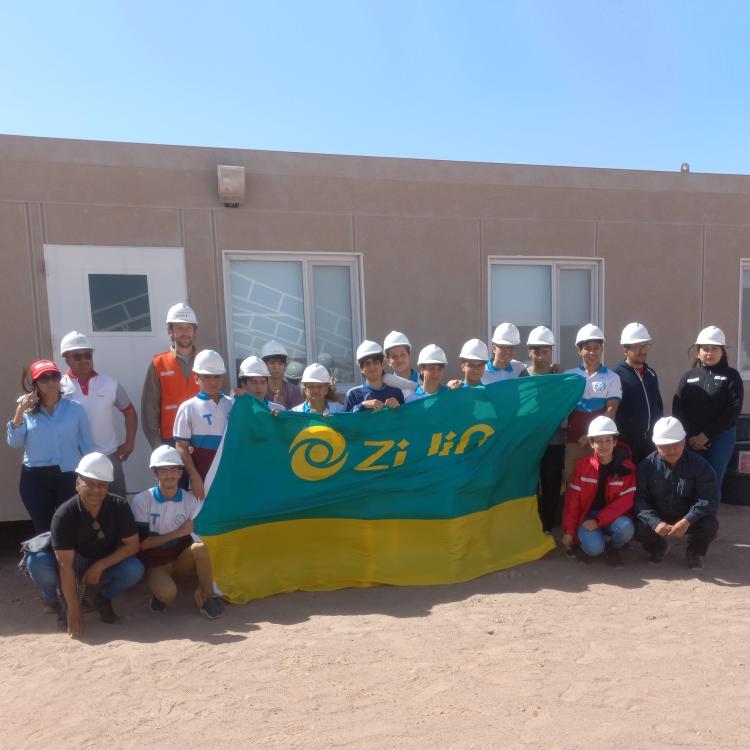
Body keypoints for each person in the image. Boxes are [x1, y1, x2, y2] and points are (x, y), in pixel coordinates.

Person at [25, 452, 144, 637]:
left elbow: (132, 545)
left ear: (107, 487)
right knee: (37, 562)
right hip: (73, 561)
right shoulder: (64, 515)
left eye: (101, 485)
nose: (96, 490)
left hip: (102, 559)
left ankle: (102, 599)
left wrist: (100, 565)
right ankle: (58, 603)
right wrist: (73, 609)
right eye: (89, 483)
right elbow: (65, 566)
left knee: (134, 569)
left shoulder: (119, 506)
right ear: (77, 484)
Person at [132, 446, 224, 619]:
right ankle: (159, 595)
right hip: (155, 564)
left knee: (200, 548)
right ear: (155, 473)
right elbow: (142, 544)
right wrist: (179, 532)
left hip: (179, 561)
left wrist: (203, 583)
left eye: (174, 469)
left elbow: (198, 537)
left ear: (181, 473)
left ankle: (207, 596)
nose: (170, 474)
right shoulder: (142, 501)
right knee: (168, 594)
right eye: (164, 470)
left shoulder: (190, 501)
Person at [7, 359, 92, 533]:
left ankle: (68, 560)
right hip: (35, 478)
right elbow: (14, 443)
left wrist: (90, 475)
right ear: (35, 383)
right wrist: (18, 413)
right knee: (44, 528)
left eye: (54, 376)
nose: (51, 381)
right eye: (44, 378)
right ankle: (47, 559)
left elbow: (87, 445)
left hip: (69, 475)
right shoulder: (27, 412)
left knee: (68, 525)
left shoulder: (75, 408)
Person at [59, 330, 137, 499]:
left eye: (87, 355)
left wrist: (129, 443)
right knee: (79, 511)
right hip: (75, 460)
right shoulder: (58, 388)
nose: (84, 360)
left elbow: (130, 412)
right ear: (66, 358)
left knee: (117, 506)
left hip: (109, 456)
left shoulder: (110, 384)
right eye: (77, 356)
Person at [634, 417, 719, 570]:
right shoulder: (646, 466)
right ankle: (658, 547)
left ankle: (694, 551)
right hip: (659, 516)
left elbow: (709, 498)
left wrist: (687, 520)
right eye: (665, 446)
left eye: (676, 444)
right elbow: (640, 499)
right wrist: (655, 522)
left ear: (684, 441)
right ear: (656, 445)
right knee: (639, 525)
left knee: (710, 524)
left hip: (688, 517)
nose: (672, 450)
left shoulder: (700, 465)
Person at [673, 326, 744, 493]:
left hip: (721, 436)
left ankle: (709, 518)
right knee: (693, 479)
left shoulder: (731, 376)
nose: (709, 353)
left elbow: (733, 410)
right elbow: (678, 408)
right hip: (692, 438)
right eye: (705, 348)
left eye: (714, 349)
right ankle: (691, 517)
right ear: (698, 352)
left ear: (722, 352)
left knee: (713, 478)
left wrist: (706, 435)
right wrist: (690, 436)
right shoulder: (688, 377)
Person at [561, 416, 636, 567]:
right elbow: (573, 501)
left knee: (626, 528)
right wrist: (569, 531)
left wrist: (598, 521)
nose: (604, 445)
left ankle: (613, 548)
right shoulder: (582, 466)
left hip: (611, 516)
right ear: (591, 443)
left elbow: (625, 502)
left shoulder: (627, 468)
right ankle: (594, 543)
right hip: (587, 516)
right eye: (599, 441)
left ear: (615, 442)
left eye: (608, 440)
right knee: (594, 548)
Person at [564, 324, 622, 482]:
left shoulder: (612, 377)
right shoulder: (568, 376)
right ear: (579, 350)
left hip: (600, 443)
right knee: (572, 480)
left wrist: (592, 435)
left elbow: (611, 410)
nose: (592, 352)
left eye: (596, 348)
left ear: (602, 349)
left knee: (598, 482)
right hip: (574, 441)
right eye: (587, 348)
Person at [173, 350, 233, 500]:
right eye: (207, 377)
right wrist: (194, 477)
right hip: (203, 479)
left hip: (231, 478)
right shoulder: (188, 407)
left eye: (217, 376)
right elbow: (181, 447)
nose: (213, 382)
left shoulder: (233, 404)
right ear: (196, 379)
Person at [141, 303, 200, 450]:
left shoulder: (205, 360)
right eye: (179, 328)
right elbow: (149, 409)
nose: (184, 332)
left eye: (188, 328)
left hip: (203, 437)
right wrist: (157, 447)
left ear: (194, 331)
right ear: (170, 331)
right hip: (170, 440)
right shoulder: (158, 363)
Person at [526, 326, 565, 531]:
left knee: (551, 484)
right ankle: (530, 528)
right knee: (529, 485)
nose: (540, 356)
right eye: (536, 351)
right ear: (529, 351)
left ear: (551, 351)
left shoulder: (559, 376)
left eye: (545, 351)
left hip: (554, 441)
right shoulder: (523, 376)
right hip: (530, 442)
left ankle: (548, 527)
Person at [612, 323, 664, 464]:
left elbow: (658, 406)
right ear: (626, 350)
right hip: (627, 445)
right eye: (636, 347)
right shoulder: (616, 375)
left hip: (651, 443)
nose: (642, 351)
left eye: (645, 345)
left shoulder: (651, 373)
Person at [344, 341, 404, 411]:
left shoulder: (396, 393)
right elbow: (344, 420)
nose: (372, 367)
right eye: (367, 364)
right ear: (361, 369)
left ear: (382, 365)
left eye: (375, 362)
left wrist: (399, 409)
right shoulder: (353, 394)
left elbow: (405, 420)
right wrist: (362, 405)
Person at [261, 340, 304, 410]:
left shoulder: (294, 390)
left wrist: (282, 407)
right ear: (264, 364)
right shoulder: (259, 389)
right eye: (272, 363)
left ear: (285, 366)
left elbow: (299, 419)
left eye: (280, 363)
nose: (276, 367)